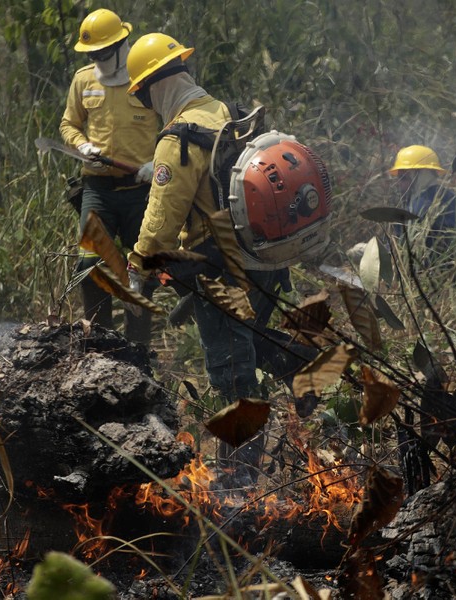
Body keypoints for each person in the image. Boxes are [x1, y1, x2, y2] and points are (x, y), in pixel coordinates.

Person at [124, 32, 312, 483]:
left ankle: (239, 480)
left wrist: (138, 264)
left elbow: (161, 222)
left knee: (231, 372)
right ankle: (304, 364)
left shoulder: (177, 139)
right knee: (250, 341)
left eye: (143, 96)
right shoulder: (224, 113)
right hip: (263, 257)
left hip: (220, 266)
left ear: (151, 88)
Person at [59, 8, 159, 345]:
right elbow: (68, 124)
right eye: (92, 54)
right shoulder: (83, 80)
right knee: (89, 267)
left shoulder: (147, 78)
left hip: (141, 191)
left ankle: (137, 352)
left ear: (120, 45)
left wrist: (157, 162)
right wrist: (81, 145)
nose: (97, 60)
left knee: (142, 272)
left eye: (102, 53)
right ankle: (100, 347)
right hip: (97, 189)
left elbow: (175, 124)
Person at [387, 145, 456, 269]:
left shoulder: (419, 206)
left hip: (438, 274)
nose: (399, 184)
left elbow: (398, 250)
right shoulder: (449, 197)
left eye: (404, 178)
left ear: (421, 176)